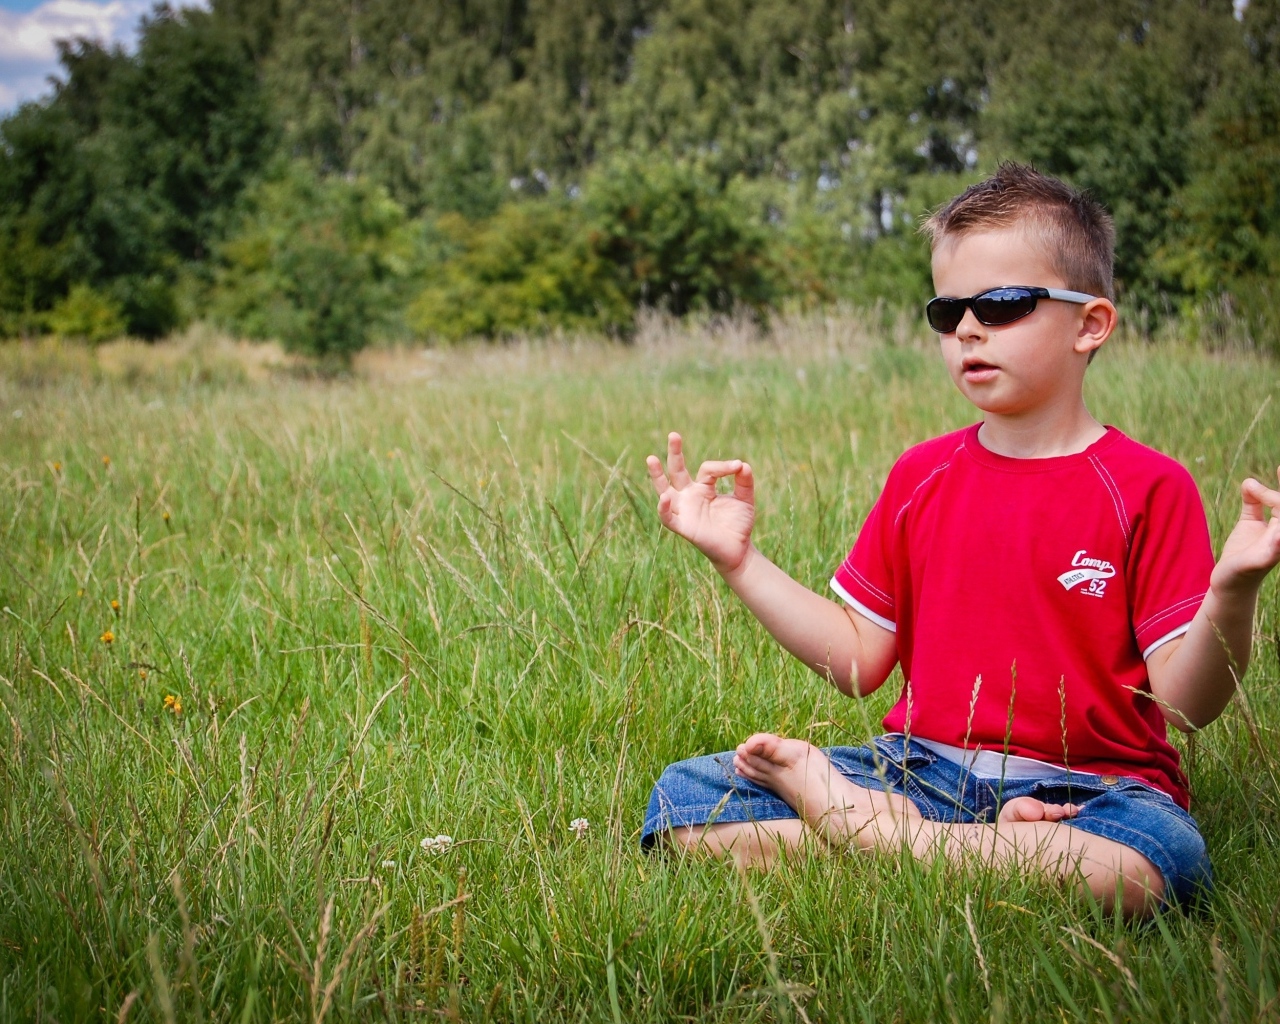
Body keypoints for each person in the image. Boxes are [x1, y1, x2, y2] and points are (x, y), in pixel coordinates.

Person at [639, 163, 1280, 918]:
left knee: (1153, 865)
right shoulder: (923, 475)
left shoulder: (1147, 486)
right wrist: (740, 561)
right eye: (949, 312)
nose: (969, 328)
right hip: (918, 772)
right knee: (682, 803)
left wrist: (1232, 594)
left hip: (1092, 791)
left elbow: (1183, 706)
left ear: (1090, 324)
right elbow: (857, 660)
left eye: (1003, 304)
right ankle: (937, 846)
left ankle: (866, 834)